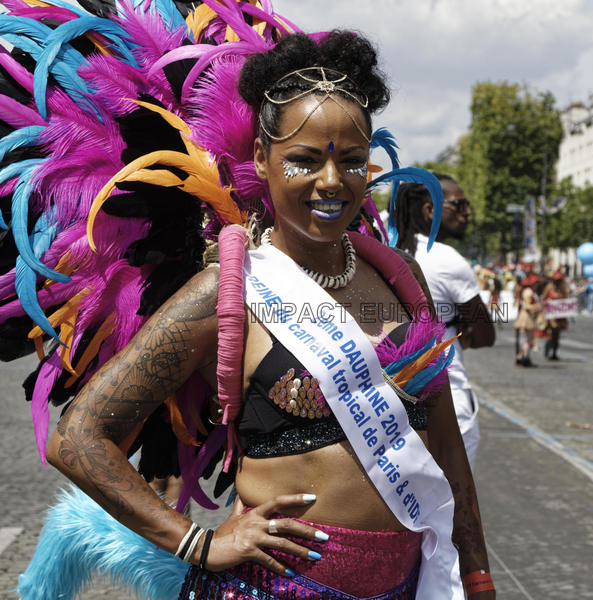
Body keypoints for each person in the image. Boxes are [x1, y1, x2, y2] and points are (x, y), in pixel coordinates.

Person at [13, 24, 493, 600]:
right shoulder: (228, 292)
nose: (332, 181)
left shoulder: (400, 279)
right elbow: (78, 438)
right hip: (276, 588)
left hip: (407, 584)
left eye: (354, 161)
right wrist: (200, 543)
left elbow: (444, 444)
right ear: (262, 159)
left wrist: (477, 571)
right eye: (305, 160)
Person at [393, 174, 495, 470]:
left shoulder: (383, 247)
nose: (468, 213)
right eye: (460, 205)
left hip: (392, 399)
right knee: (453, 505)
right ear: (430, 210)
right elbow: (485, 334)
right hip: (447, 398)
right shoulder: (446, 258)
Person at [514, 275, 540, 367]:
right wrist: (537, 307)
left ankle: (520, 357)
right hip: (526, 316)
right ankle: (526, 357)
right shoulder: (529, 292)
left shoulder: (527, 291)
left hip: (525, 315)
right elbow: (527, 306)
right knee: (529, 339)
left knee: (527, 338)